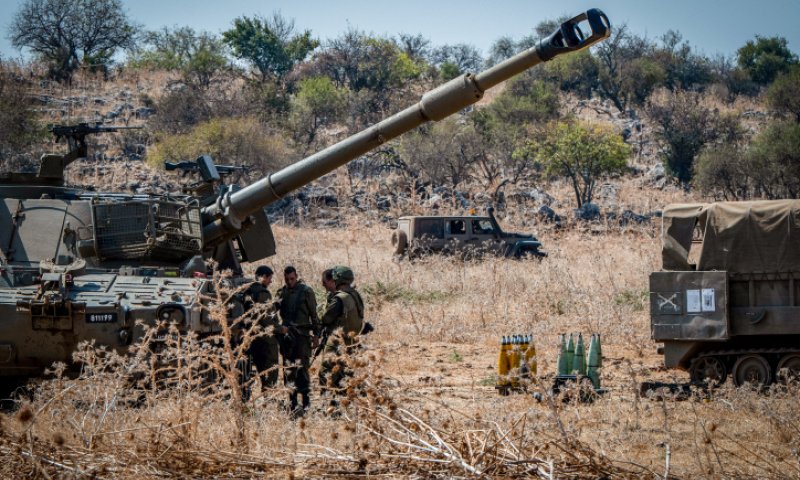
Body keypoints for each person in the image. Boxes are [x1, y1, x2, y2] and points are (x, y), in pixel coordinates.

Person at [275, 265, 319, 416]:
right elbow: (271, 311)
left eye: (292, 279)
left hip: (302, 336)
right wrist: (277, 328)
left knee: (302, 369)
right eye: (287, 279)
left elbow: (314, 315)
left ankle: (306, 404)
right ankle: (292, 403)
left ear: (296, 276)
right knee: (288, 370)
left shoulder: (306, 291)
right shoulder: (281, 292)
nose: (289, 281)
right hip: (287, 336)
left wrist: (316, 335)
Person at [318, 265, 365, 397]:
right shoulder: (355, 294)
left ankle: (328, 402)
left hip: (339, 340)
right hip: (353, 340)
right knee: (346, 373)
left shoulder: (339, 298)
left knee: (326, 372)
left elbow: (326, 318)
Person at [242, 265, 282, 394]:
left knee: (259, 367)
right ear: (264, 277)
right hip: (265, 339)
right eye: (270, 278)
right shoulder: (263, 293)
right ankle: (268, 397)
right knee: (270, 370)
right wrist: (281, 329)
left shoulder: (247, 289)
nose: (270, 282)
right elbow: (266, 319)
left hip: (252, 337)